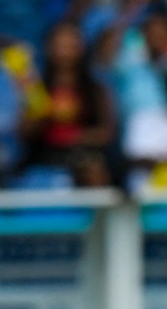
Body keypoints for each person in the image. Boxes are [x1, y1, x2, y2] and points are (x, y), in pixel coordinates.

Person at [18, 19, 117, 187]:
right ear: (49, 48)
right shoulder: (37, 88)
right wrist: (42, 109)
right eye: (60, 45)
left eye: (71, 45)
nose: (65, 52)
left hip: (82, 158)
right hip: (46, 158)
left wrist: (79, 137)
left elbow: (107, 132)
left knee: (94, 171)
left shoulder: (95, 89)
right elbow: (24, 133)